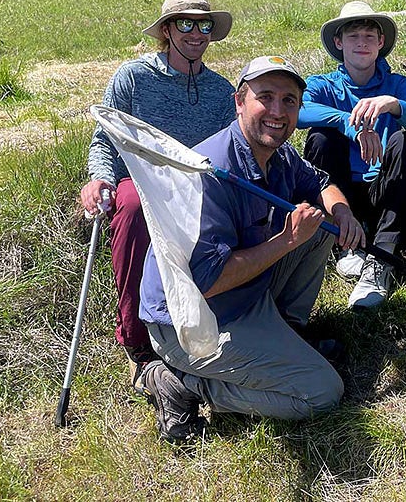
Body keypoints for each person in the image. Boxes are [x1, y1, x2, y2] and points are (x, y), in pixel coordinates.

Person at [138, 56, 365, 443]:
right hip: (191, 322)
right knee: (323, 392)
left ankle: (288, 331)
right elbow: (206, 282)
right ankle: (181, 383)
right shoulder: (210, 173)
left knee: (322, 227)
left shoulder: (279, 155)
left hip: (244, 296)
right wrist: (287, 241)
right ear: (239, 101)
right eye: (266, 97)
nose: (277, 111)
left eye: (289, 100)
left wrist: (343, 211)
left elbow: (319, 181)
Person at [79, 0, 237, 387]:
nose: (195, 33)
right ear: (166, 30)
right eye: (185, 24)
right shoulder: (133, 78)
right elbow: (106, 138)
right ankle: (137, 345)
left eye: (203, 25)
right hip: (142, 179)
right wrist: (101, 178)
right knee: (130, 208)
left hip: (196, 187)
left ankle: (213, 325)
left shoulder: (221, 91)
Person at [298, 1, 406, 309]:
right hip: (340, 193)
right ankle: (345, 241)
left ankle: (381, 256)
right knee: (321, 137)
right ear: (338, 42)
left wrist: (393, 105)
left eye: (369, 36)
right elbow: (298, 111)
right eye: (353, 36)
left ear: (380, 43)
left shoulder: (399, 85)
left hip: (384, 190)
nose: (362, 43)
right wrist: (350, 124)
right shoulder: (323, 85)